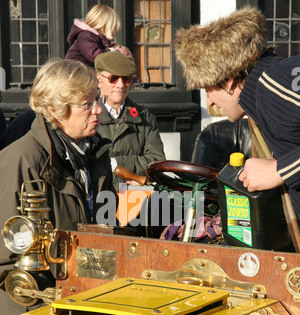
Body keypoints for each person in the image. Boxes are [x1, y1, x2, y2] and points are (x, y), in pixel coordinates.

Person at [0, 59, 116, 315]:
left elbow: (108, 236)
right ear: (54, 110)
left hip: (88, 304)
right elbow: (5, 264)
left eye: (97, 99)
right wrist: (47, 314)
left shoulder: (97, 156)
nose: (98, 110)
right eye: (87, 104)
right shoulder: (20, 160)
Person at [174, 7, 300, 222]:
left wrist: (280, 170)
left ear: (228, 82)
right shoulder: (268, 87)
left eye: (207, 89)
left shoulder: (274, 83)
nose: (210, 102)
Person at [95, 51, 165, 189]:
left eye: (126, 79)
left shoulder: (144, 116)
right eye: (114, 78)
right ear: (99, 80)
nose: (121, 85)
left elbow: (157, 161)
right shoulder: (88, 115)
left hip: (133, 199)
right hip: (97, 198)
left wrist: (116, 163)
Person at [65, 4, 131, 67]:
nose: (115, 34)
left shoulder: (96, 39)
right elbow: (96, 56)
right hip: (75, 73)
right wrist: (115, 51)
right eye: (114, 30)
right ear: (104, 27)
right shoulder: (86, 36)